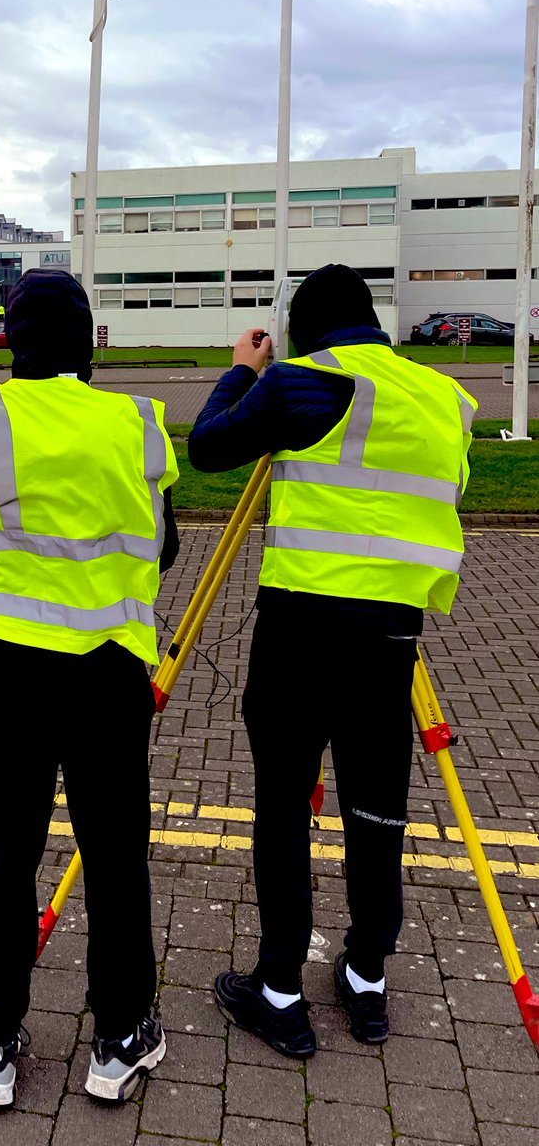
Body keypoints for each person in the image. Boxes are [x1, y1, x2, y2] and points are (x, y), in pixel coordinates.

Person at [0, 269, 180, 1108]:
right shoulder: (137, 424)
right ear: (88, 336)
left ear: (11, 336)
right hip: (107, 672)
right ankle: (120, 1036)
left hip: (8, 676)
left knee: (8, 850)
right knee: (114, 855)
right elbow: (161, 550)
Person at [188, 264, 476, 1057]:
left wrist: (241, 372)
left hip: (300, 628)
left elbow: (208, 448)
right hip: (392, 635)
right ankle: (367, 977)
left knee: (284, 806)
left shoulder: (301, 381)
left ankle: (278, 988)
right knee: (376, 806)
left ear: (306, 326)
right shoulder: (441, 399)